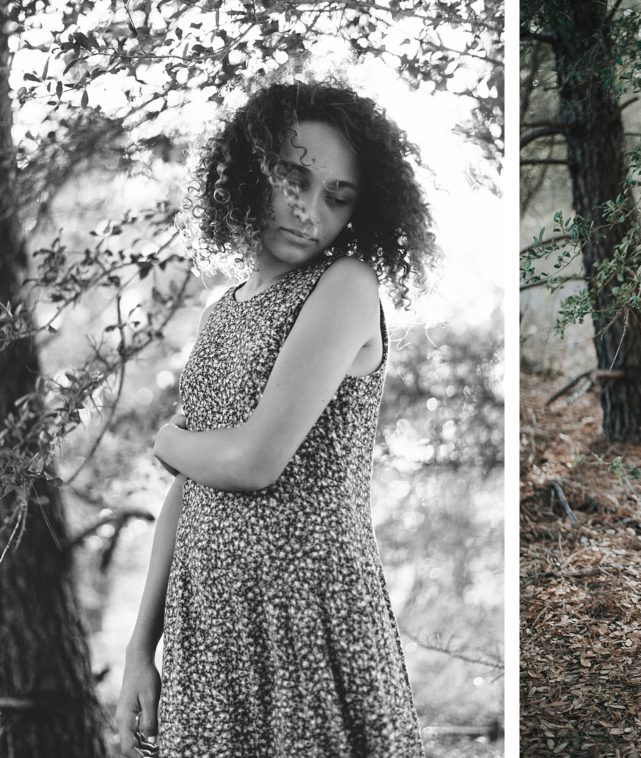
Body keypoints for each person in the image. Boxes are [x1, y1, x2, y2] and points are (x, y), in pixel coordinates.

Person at [115, 78, 436, 757]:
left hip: (305, 618)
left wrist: (169, 440)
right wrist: (141, 649)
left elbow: (255, 460)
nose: (309, 209)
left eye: (337, 197)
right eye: (294, 178)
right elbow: (190, 487)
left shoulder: (345, 286)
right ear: (248, 173)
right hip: (209, 628)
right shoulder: (220, 312)